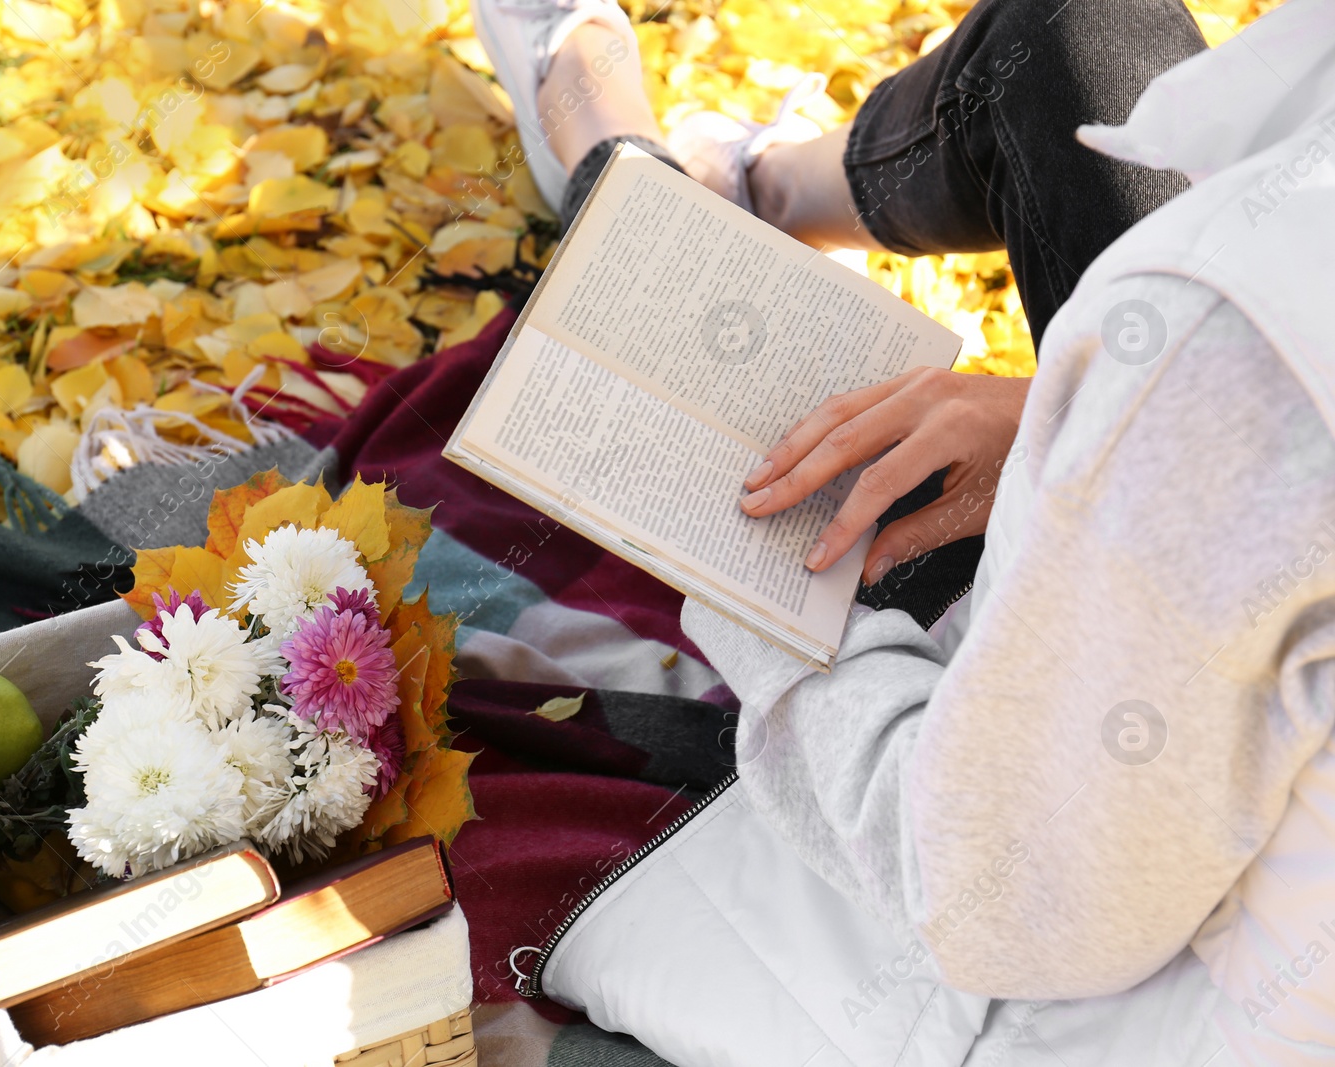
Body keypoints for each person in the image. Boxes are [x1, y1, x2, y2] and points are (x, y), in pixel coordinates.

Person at [475, 0, 1335, 1062]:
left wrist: (756, 590)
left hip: (1080, 979)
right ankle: (734, 185)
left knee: (762, 449)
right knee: (1076, 32)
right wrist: (1049, 418)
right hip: (1193, 615)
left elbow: (1001, 902)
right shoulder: (1236, 353)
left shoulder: (1235, 356)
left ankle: (622, 175)